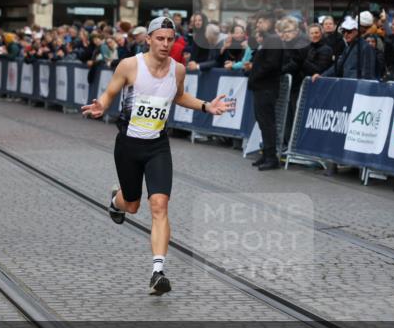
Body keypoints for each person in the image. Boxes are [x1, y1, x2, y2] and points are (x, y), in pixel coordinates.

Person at [81, 16, 232, 295]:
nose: (165, 44)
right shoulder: (130, 66)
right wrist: (101, 105)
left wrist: (205, 106)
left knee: (159, 205)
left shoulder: (178, 70)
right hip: (128, 145)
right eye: (159, 38)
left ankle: (158, 271)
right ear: (148, 39)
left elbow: (179, 97)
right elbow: (110, 92)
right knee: (132, 204)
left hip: (157, 146)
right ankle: (117, 201)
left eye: (169, 39)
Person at [249, 16, 288, 171]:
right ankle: (266, 154)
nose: (258, 24)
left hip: (266, 87)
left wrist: (256, 73)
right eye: (258, 22)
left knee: (267, 123)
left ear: (270, 23)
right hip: (261, 87)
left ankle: (271, 158)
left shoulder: (273, 40)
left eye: (261, 21)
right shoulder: (267, 40)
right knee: (262, 122)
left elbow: (271, 64)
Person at [312, 16, 377, 81]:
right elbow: (338, 65)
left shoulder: (365, 47)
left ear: (356, 31)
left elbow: (368, 75)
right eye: (343, 31)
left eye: (349, 31)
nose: (345, 34)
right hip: (347, 86)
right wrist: (322, 76)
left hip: (358, 88)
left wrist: (360, 89)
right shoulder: (348, 47)